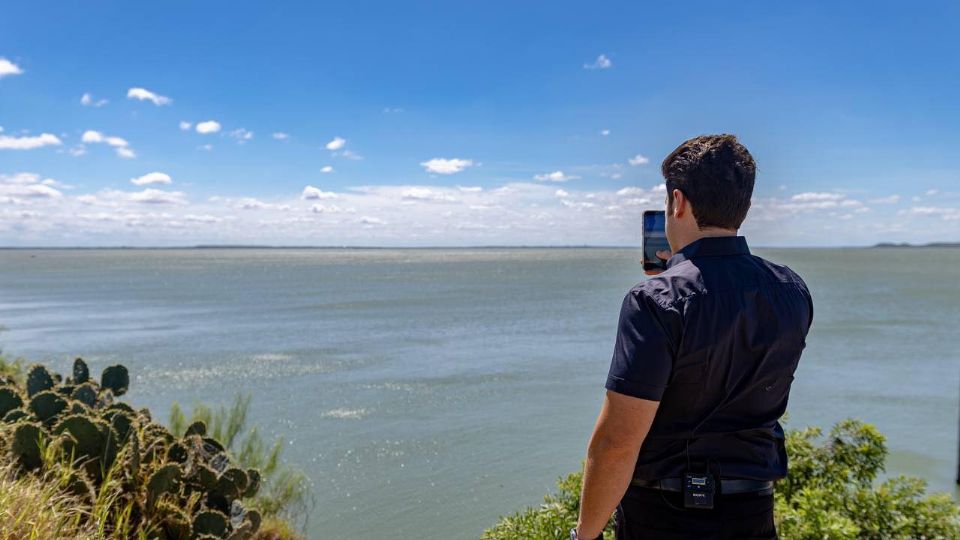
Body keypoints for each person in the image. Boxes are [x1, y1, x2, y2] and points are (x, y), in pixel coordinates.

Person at [571, 134, 814, 540]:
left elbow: (617, 444)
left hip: (663, 517)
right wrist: (673, 284)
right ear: (746, 206)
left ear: (677, 202)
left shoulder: (654, 301)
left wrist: (585, 536)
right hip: (753, 512)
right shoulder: (792, 289)